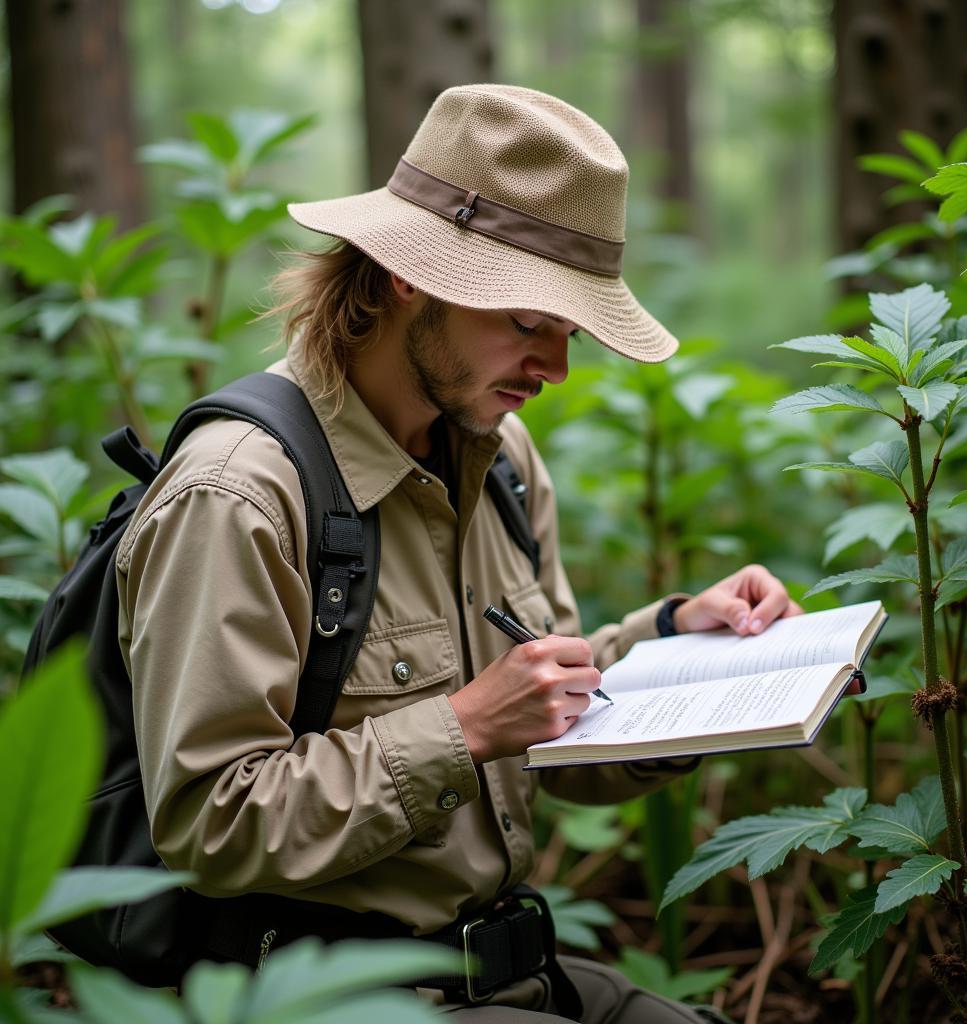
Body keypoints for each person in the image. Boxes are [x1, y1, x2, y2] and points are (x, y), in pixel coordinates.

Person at [116, 84, 798, 1021]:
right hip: (322, 992)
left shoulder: (499, 456)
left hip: (512, 968)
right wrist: (464, 727)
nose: (555, 370)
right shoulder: (239, 494)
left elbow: (546, 718)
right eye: (529, 322)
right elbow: (210, 824)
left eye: (572, 330)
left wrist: (681, 638)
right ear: (412, 278)